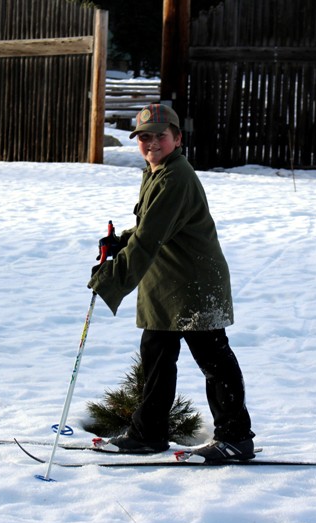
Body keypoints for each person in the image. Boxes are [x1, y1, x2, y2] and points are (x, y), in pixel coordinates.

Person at [88, 103, 255, 462]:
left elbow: (150, 238)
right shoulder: (157, 172)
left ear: (177, 138)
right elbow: (151, 226)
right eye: (144, 137)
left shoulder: (176, 177)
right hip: (167, 285)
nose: (152, 144)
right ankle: (148, 434)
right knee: (157, 358)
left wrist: (110, 279)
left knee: (213, 359)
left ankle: (236, 437)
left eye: (160, 136)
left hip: (194, 285)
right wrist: (121, 242)